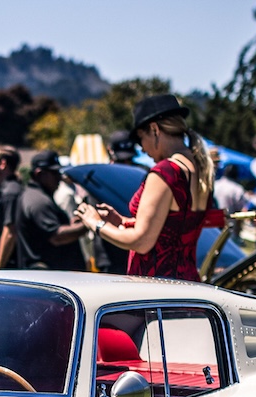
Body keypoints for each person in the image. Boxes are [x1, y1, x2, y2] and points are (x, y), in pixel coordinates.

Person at [76, 94, 215, 280]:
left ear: (155, 130)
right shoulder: (199, 168)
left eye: (141, 138)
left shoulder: (166, 171)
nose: (141, 148)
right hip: (188, 285)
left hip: (157, 290)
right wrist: (123, 222)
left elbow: (141, 242)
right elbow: (174, 226)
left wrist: (95, 223)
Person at [16, 150, 85, 271]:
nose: (59, 178)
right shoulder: (38, 200)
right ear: (39, 174)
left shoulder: (38, 195)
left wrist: (73, 224)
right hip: (48, 276)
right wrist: (91, 224)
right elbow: (57, 237)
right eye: (54, 173)